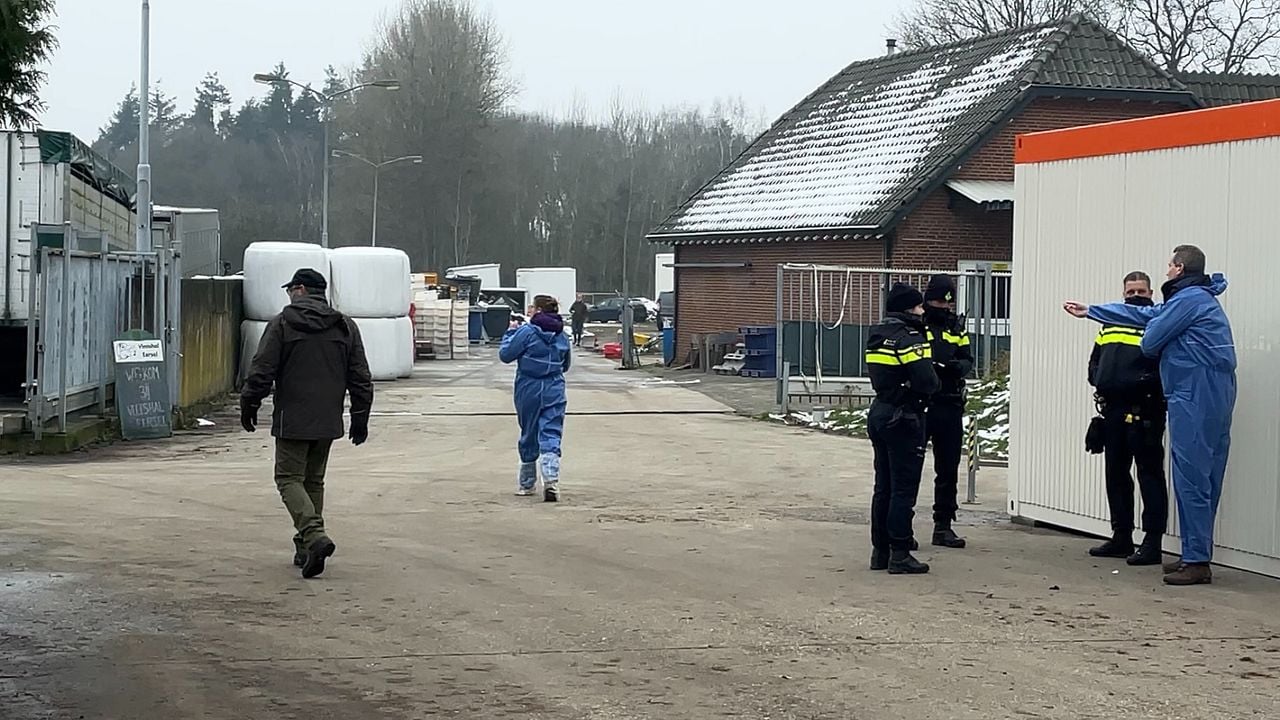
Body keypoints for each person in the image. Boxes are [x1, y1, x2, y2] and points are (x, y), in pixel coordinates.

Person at [1064, 245, 1235, 586]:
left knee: (1191, 477)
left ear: (1180, 268)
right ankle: (1194, 554)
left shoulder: (1188, 300)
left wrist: (1155, 331)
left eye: (1170, 265)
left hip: (1194, 392)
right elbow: (1149, 315)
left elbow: (1151, 339)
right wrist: (1092, 311)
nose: (1167, 269)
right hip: (1207, 391)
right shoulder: (1194, 300)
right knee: (1203, 476)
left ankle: (1196, 561)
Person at [241, 268, 374, 579]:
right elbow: (360, 376)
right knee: (313, 481)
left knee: (288, 478)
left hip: (292, 417)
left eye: (290, 289)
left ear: (300, 289)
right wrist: (360, 415)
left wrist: (250, 401)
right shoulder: (345, 325)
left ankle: (314, 536)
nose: (289, 295)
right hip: (328, 418)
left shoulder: (282, 323)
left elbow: (262, 368)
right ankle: (306, 549)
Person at [1085, 271, 1167, 566]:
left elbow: (1165, 365)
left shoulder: (1157, 321)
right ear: (1123, 293)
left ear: (1151, 293)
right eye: (1130, 292)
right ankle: (1121, 537)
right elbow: (1096, 358)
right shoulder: (1110, 322)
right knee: (1116, 475)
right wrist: (1098, 378)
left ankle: (1152, 543)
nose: (1135, 296)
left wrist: (1143, 385)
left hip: (1145, 410)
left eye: (1141, 291)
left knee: (1149, 476)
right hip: (1113, 410)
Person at [866, 282, 940, 574]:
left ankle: (880, 552)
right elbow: (928, 382)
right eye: (919, 306)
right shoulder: (910, 339)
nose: (923, 311)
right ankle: (900, 553)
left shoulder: (877, 335)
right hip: (904, 417)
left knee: (883, 486)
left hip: (880, 412)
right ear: (909, 309)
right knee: (903, 489)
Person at [500, 294, 572, 502]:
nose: (529, 310)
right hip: (554, 386)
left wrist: (510, 332)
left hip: (528, 386)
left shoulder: (527, 332)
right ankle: (551, 479)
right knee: (551, 432)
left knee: (529, 431)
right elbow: (566, 364)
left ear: (539, 310)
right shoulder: (562, 335)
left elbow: (506, 355)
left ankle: (527, 483)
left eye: (532, 306)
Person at [921, 275, 972, 550]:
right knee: (910, 468)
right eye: (940, 301)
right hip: (923, 404)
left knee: (948, 469)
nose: (944, 307)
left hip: (950, 403)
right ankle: (902, 528)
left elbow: (967, 359)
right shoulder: (918, 324)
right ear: (929, 300)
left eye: (948, 303)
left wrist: (957, 367)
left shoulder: (956, 327)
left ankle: (943, 525)